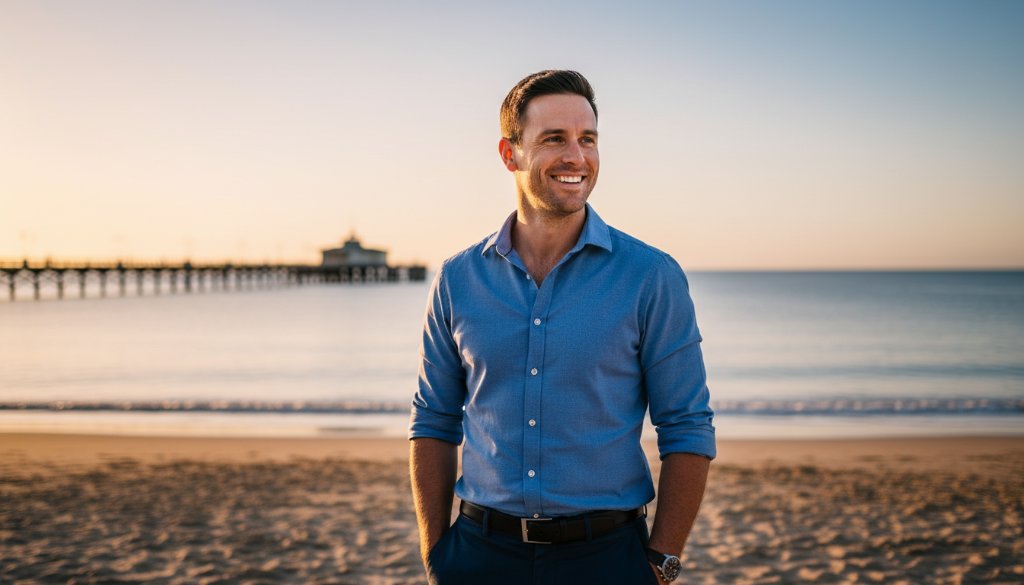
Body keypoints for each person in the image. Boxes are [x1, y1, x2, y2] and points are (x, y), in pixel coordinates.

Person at [409, 70, 715, 585]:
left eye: (588, 139)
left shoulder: (650, 277)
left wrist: (660, 562)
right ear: (510, 155)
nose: (577, 156)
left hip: (607, 559)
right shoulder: (458, 279)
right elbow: (434, 420)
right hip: (478, 555)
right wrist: (437, 555)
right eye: (555, 139)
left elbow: (687, 426)